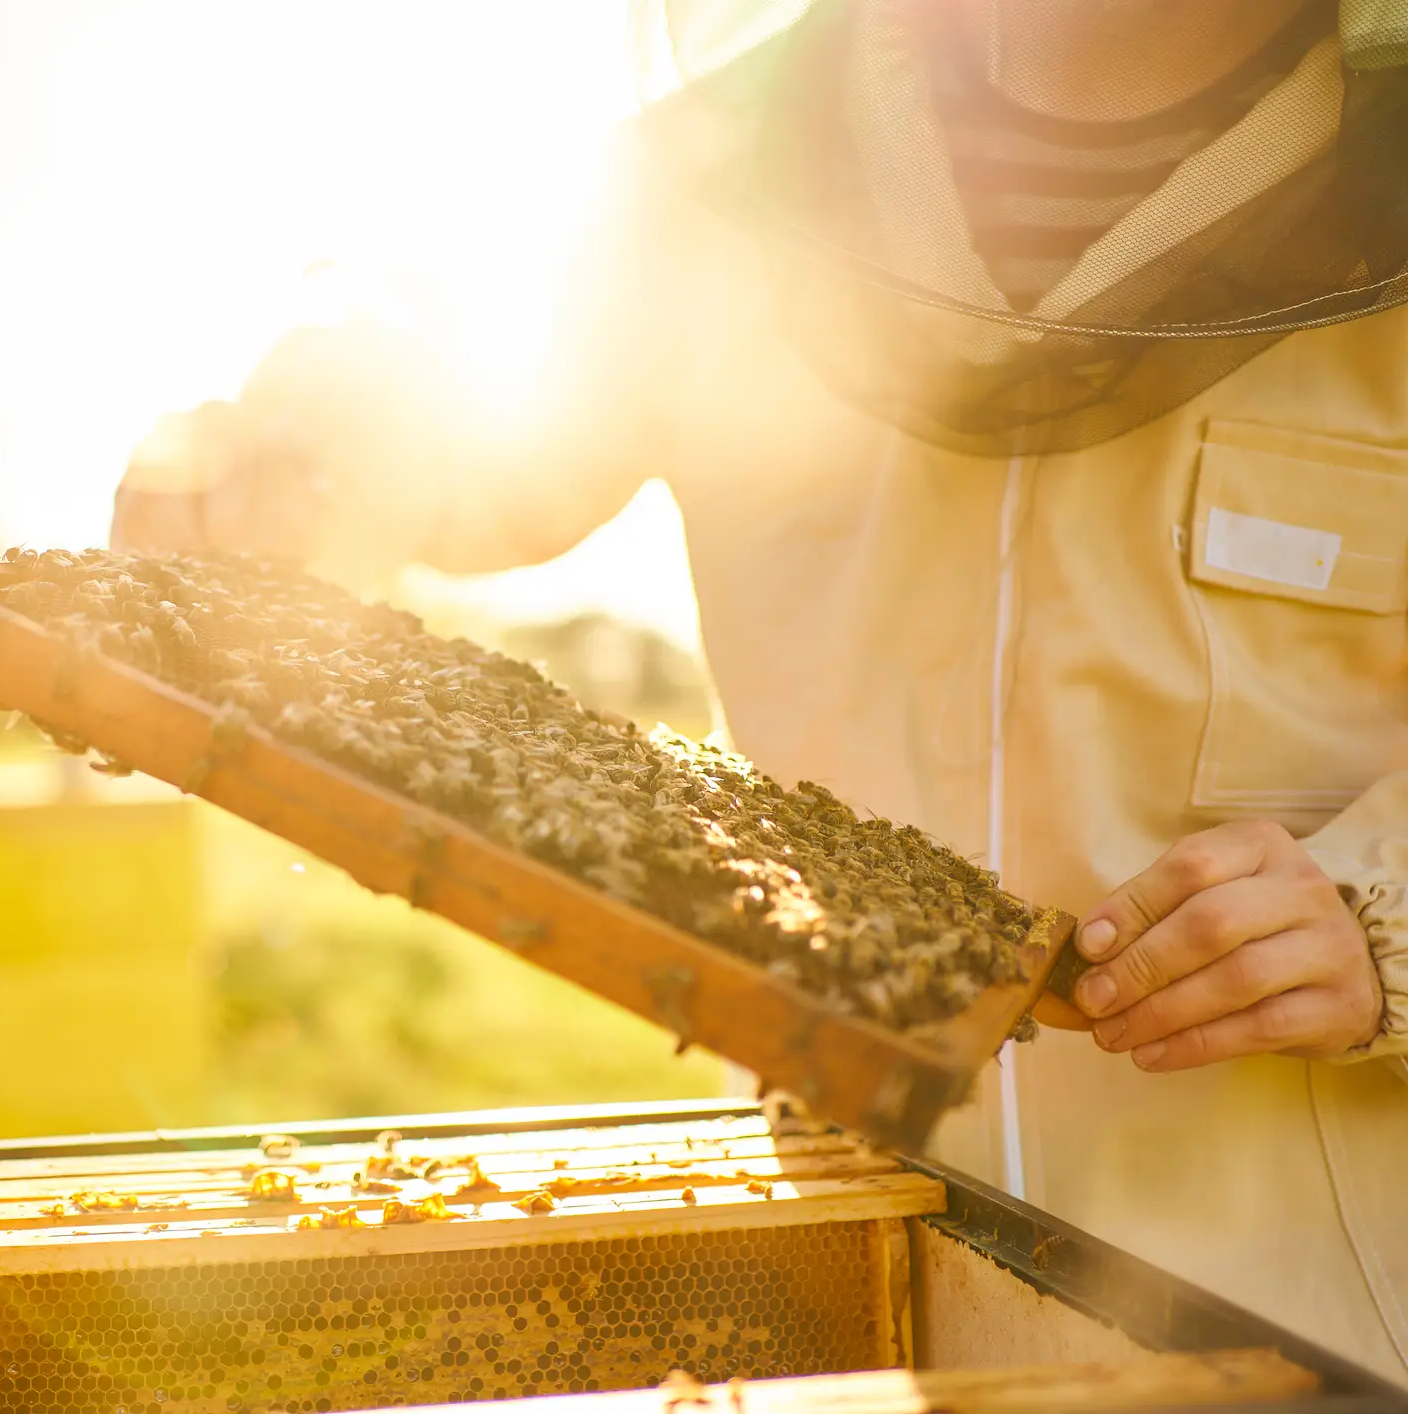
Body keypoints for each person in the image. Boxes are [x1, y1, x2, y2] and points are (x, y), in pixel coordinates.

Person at [110, 0, 1408, 1384]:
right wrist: (292, 457)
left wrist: (1375, 914)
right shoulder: (723, 177)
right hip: (836, 1276)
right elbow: (454, 378)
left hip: (1301, 1314)